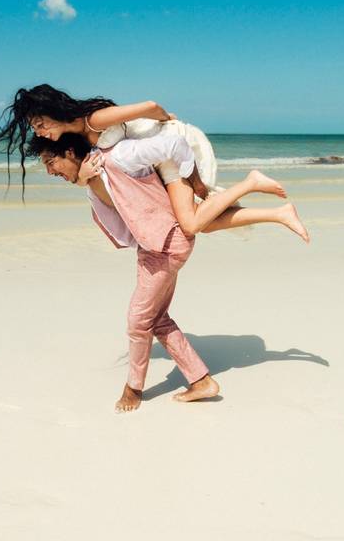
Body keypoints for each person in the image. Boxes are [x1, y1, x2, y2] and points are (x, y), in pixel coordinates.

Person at [28, 131, 286, 412]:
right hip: (154, 246)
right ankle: (201, 381)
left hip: (163, 245)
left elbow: (172, 144)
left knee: (138, 322)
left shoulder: (116, 158)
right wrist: (81, 179)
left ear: (68, 152)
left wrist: (196, 183)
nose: (49, 171)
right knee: (157, 319)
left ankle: (134, 390)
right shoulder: (92, 175)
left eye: (49, 162)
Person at [0, 84, 309, 242]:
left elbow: (150, 106)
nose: (38, 130)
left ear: (54, 112)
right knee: (199, 222)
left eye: (40, 123)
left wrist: (166, 119)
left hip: (172, 148)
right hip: (158, 155)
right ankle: (278, 214)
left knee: (191, 223)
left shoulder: (95, 120)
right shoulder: (79, 137)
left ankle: (251, 182)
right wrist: (83, 178)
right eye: (34, 126)